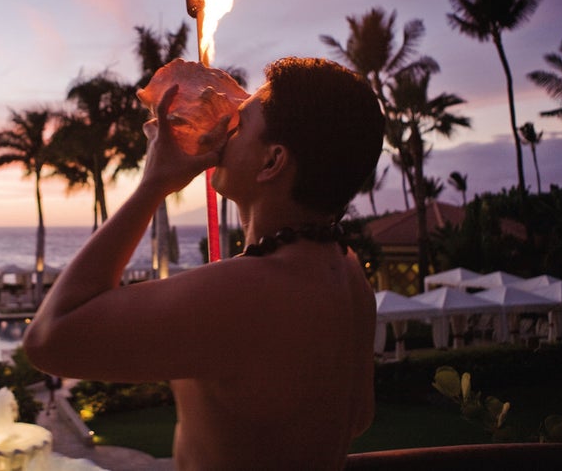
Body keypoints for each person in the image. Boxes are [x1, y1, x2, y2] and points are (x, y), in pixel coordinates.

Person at [23, 57, 384, 470]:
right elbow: (356, 418)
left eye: (241, 123)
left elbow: (50, 338)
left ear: (272, 161)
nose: (224, 131)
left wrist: (153, 185)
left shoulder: (247, 293)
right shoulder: (350, 274)